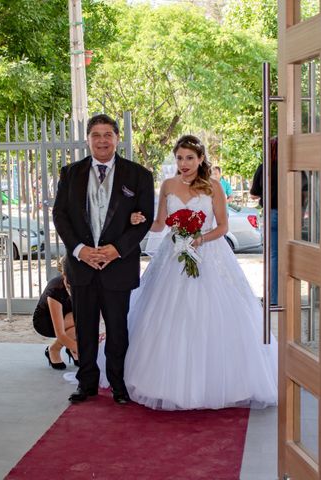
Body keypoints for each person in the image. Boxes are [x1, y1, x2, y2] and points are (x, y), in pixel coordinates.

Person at [124, 135, 277, 410]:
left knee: (213, 314)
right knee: (169, 314)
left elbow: (222, 227)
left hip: (209, 255)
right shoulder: (168, 185)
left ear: (201, 159)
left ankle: (221, 382)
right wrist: (141, 220)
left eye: (189, 158)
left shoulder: (213, 187)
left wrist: (199, 240)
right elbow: (160, 224)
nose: (184, 164)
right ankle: (164, 381)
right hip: (173, 257)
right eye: (179, 158)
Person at [52, 114, 154, 405]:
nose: (102, 140)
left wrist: (116, 250)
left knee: (117, 329)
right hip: (82, 266)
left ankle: (119, 385)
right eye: (95, 135)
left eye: (107, 134)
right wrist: (79, 250)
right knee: (84, 328)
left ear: (117, 138)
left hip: (118, 266)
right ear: (87, 139)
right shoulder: (70, 173)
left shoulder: (138, 175)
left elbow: (143, 219)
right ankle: (87, 384)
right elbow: (60, 215)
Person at [32, 257, 78, 370]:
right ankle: (54, 350)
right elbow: (60, 334)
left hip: (70, 317)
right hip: (45, 321)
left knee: (84, 320)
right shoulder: (55, 290)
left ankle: (71, 348)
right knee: (80, 321)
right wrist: (85, 350)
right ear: (64, 275)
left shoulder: (86, 284)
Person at [249, 136, 278, 305]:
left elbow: (253, 193)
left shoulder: (264, 168)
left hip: (271, 212)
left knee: (273, 256)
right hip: (291, 214)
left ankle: (274, 298)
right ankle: (288, 294)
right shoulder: (291, 167)